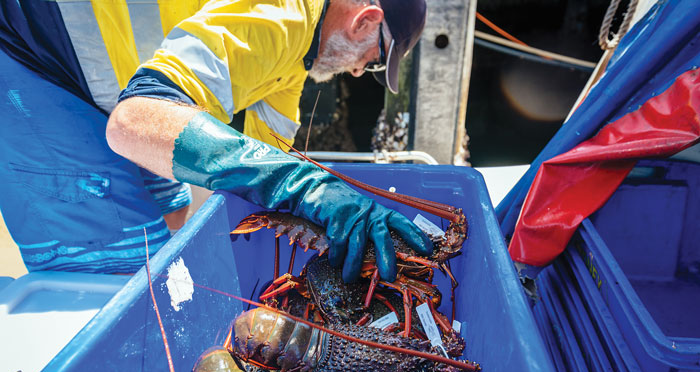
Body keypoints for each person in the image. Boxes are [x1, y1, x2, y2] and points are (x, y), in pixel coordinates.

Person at [0, 0, 430, 283]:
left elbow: (268, 158)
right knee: (128, 275)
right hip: (32, 57)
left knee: (174, 211)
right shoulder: (283, 16)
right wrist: (306, 186)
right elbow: (134, 122)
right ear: (366, 19)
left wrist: (314, 206)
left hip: (115, 81)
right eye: (374, 60)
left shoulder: (295, 58)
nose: (359, 72)